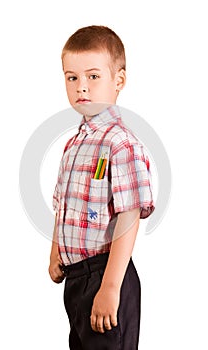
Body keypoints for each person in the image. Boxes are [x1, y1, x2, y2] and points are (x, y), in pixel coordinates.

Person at [49, 25, 155, 350]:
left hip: (107, 272)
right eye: (72, 77)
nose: (82, 87)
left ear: (118, 81)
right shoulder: (72, 146)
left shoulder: (120, 143)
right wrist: (56, 249)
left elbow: (129, 214)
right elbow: (63, 206)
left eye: (93, 76)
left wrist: (110, 286)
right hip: (77, 279)